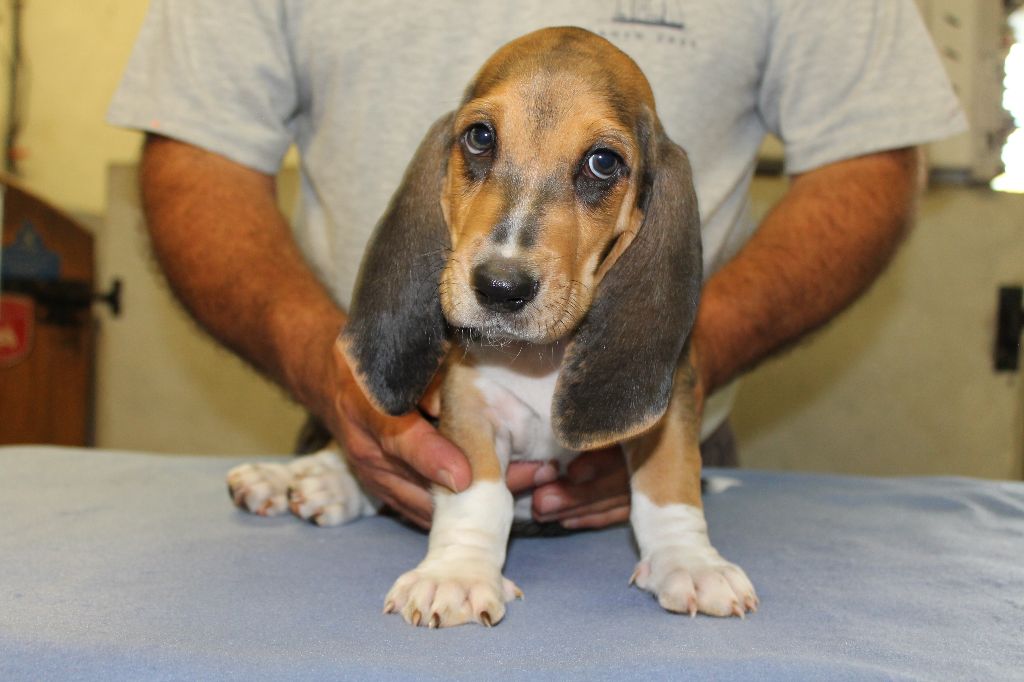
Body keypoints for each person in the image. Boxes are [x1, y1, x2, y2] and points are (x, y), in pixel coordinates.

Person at [109, 1, 965, 531]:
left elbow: (870, 155)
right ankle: (341, 472)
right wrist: (328, 371)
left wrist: (658, 374)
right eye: (478, 142)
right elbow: (199, 150)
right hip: (374, 414)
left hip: (651, 450)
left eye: (600, 169)